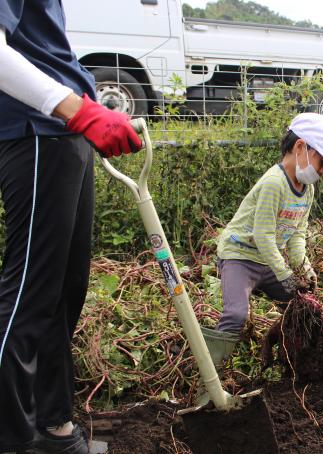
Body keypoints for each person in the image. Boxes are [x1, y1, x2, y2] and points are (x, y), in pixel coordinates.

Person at [0, 2, 142, 453]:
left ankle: (53, 426)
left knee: (64, 294)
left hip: (64, 133)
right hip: (37, 132)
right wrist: (78, 111)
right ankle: (14, 437)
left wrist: (86, 111)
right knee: (29, 293)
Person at [203, 113, 323, 367]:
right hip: (240, 256)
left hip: (267, 260)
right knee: (236, 314)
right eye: (322, 163)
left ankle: (293, 363)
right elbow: (263, 236)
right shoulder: (273, 183)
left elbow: (297, 235)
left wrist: (305, 270)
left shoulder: (307, 190)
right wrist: (286, 275)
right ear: (300, 146)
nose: (321, 172)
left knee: (302, 307)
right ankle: (210, 374)